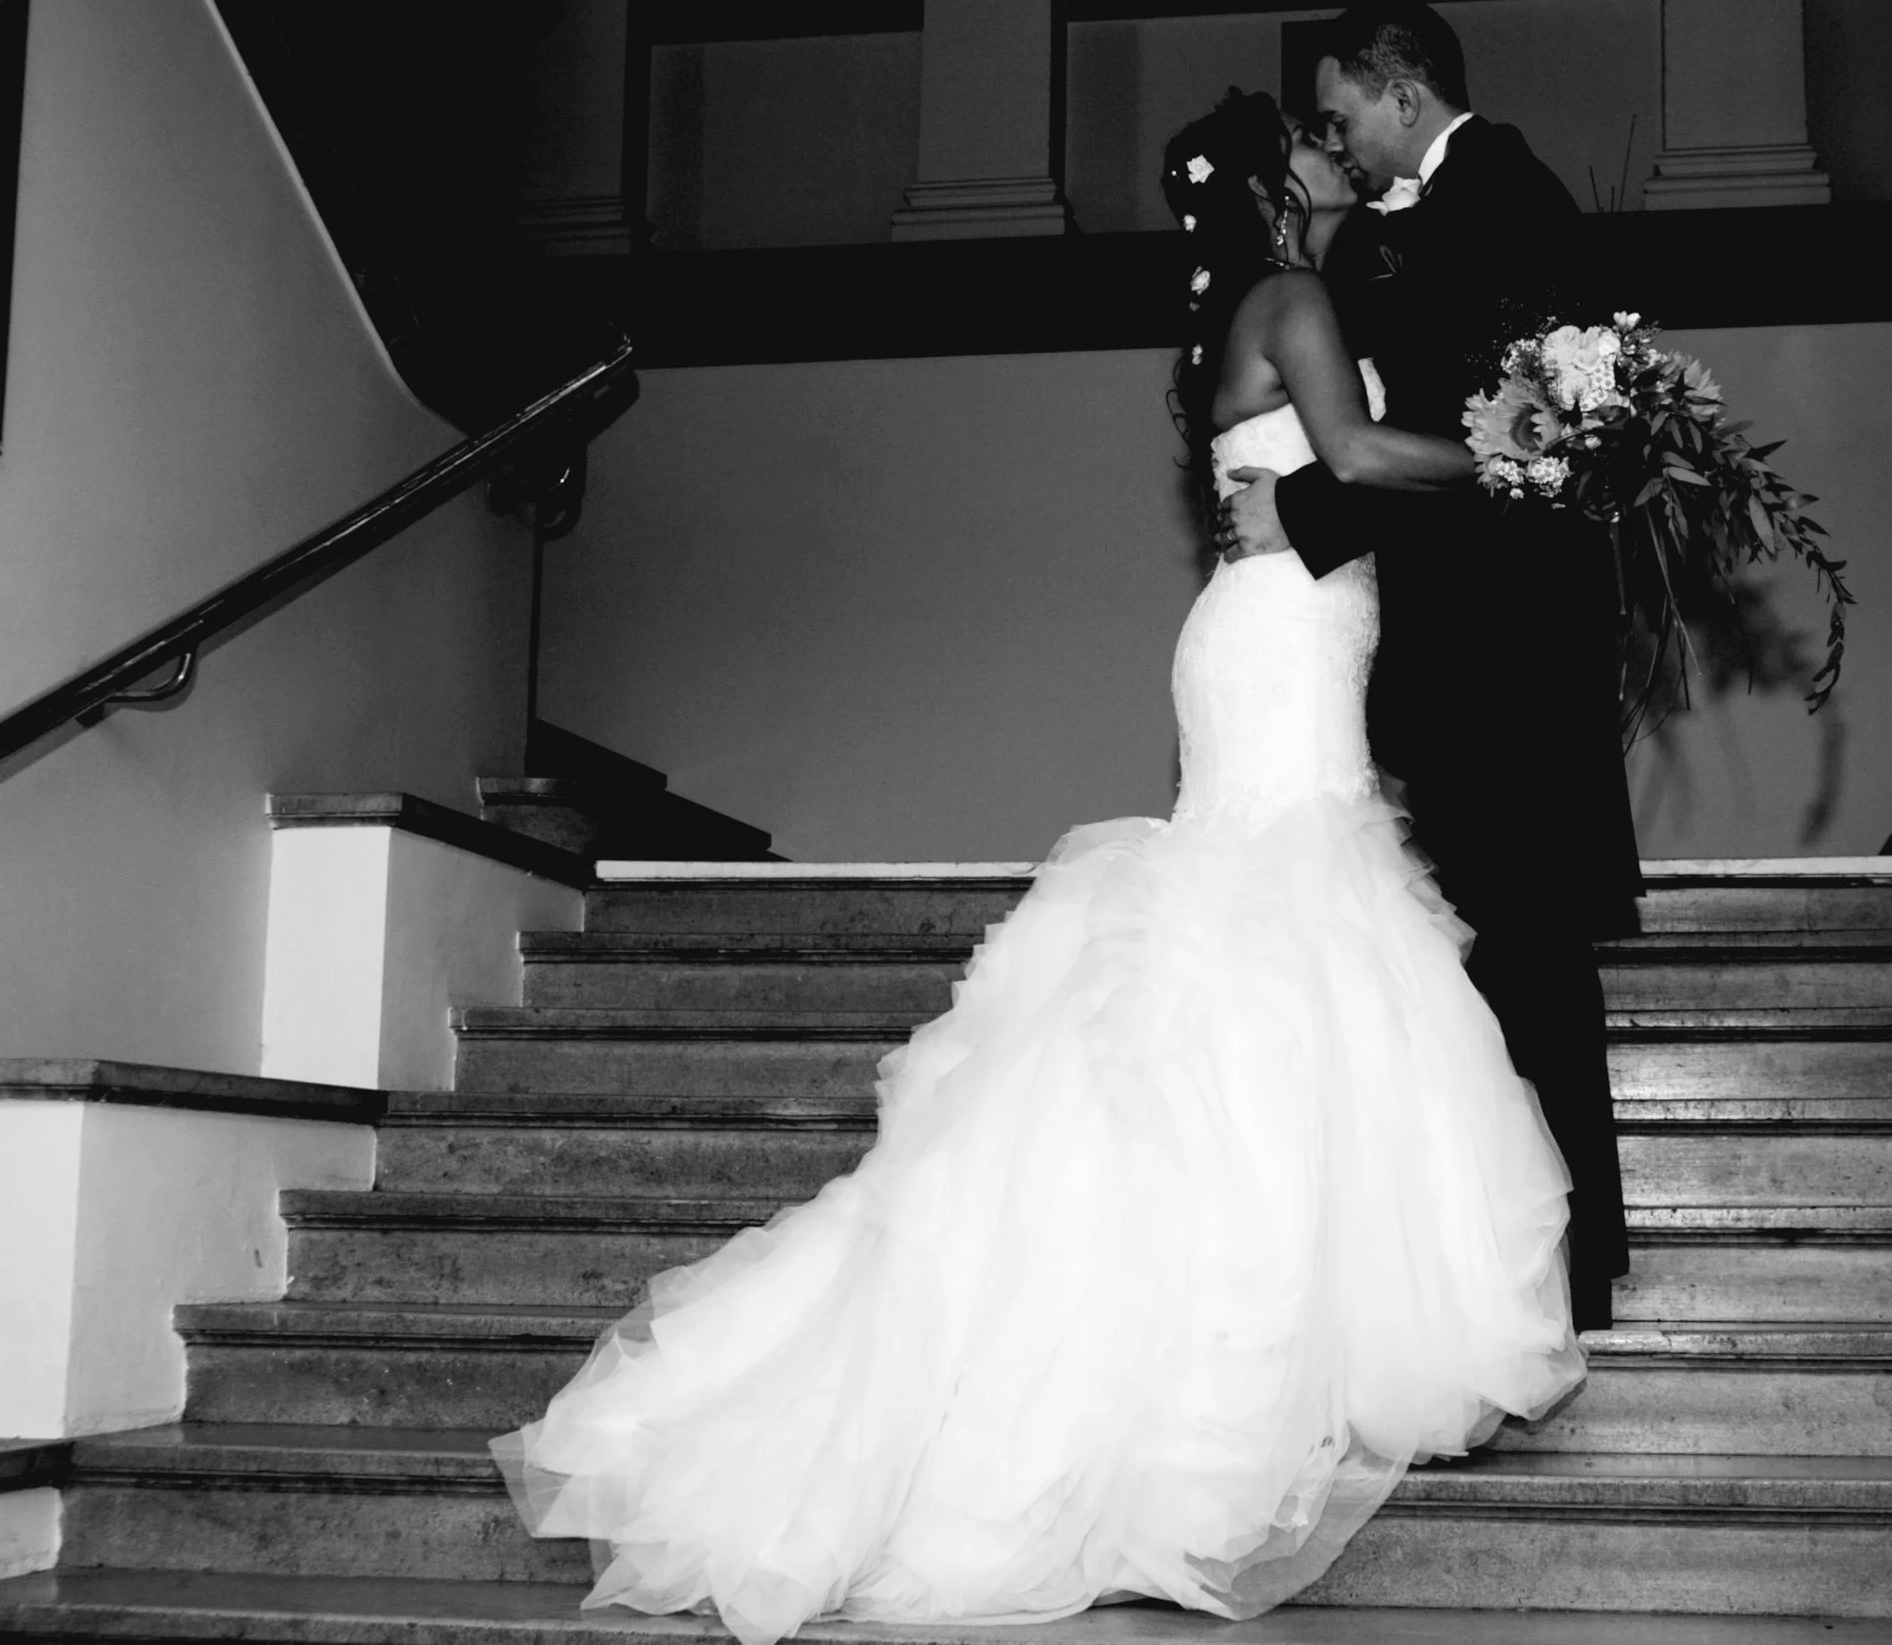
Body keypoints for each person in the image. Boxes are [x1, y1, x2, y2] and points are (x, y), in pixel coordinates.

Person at [491, 88, 1584, 1645]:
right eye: (1323, 147)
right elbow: (1347, 453)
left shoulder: (1250, 309)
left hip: (1272, 642)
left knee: (1265, 961)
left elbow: (1311, 479)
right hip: (1279, 657)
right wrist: (1521, 446)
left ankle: (1220, 1358)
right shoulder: (1293, 297)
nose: (1347, 158)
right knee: (1279, 954)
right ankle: (1201, 1390)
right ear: (1283, 184)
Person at [1221, 2, 1640, 1328]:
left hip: (1509, 657)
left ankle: (1563, 1267)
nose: (1333, 139)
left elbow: (1506, 436)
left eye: (1342, 112)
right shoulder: (1416, 226)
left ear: (1403, 92)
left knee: (1524, 952)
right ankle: (1534, 1261)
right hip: (1465, 654)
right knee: (1505, 956)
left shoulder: (1503, 197)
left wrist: (1306, 512)